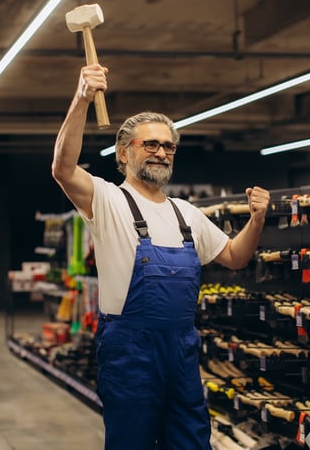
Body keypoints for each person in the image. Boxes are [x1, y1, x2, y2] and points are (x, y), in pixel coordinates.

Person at [51, 63, 270, 450]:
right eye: (149, 144)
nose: (161, 152)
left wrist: (257, 219)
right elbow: (63, 169)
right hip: (131, 353)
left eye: (168, 146)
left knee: (191, 441)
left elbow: (235, 257)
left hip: (182, 352)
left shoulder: (187, 213)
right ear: (123, 152)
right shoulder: (108, 199)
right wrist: (82, 98)